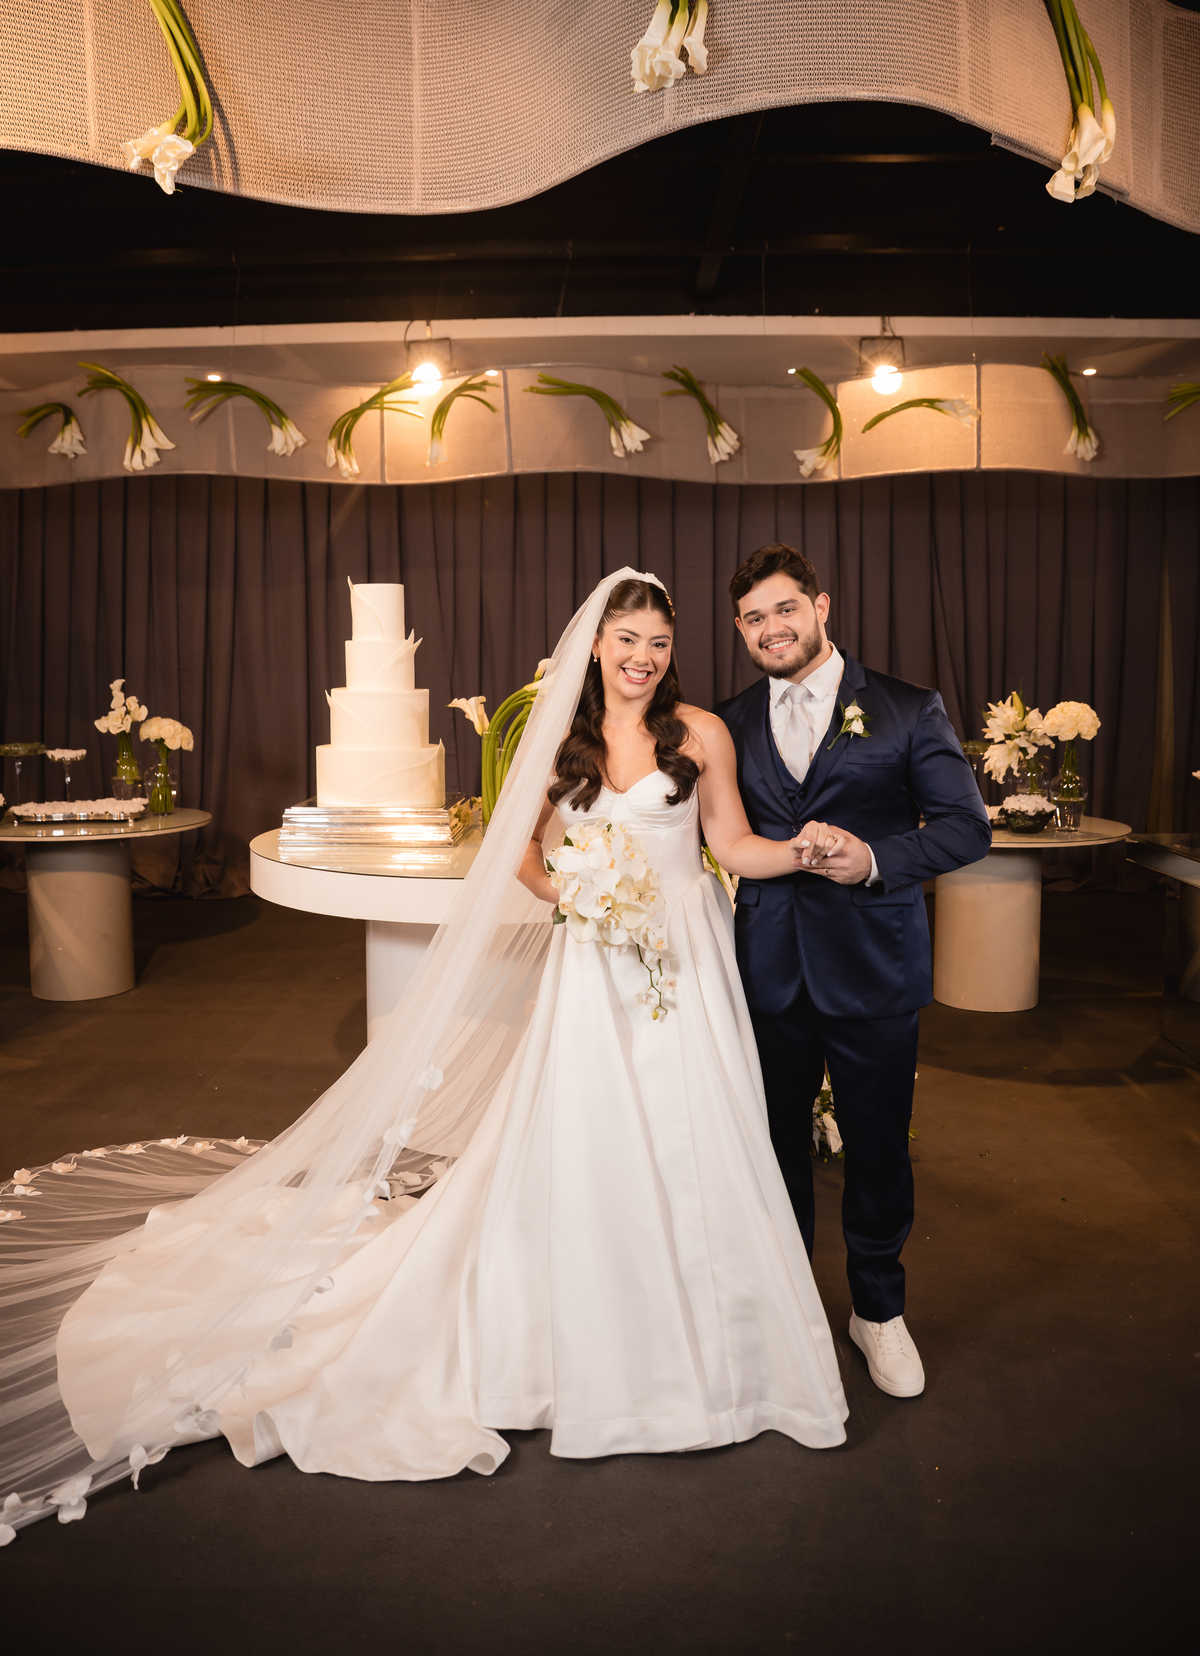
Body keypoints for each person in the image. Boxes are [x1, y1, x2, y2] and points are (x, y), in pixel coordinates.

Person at [0, 570, 846, 1541]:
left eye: (658, 641)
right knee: (592, 1142)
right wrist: (575, 892)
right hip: (593, 967)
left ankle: (715, 1343)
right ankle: (588, 1333)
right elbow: (519, 850)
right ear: (596, 645)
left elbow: (731, 846)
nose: (642, 658)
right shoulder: (560, 739)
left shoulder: (699, 734)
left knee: (696, 1140)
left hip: (684, 964)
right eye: (626, 640)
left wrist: (806, 850)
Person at [715, 545, 991, 1400]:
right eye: (754, 618)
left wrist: (873, 858)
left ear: (822, 606)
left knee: (876, 1147)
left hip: (874, 966)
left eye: (785, 609)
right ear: (739, 629)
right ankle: (789, 1305)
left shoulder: (907, 707)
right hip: (766, 969)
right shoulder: (727, 722)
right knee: (772, 1147)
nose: (771, 628)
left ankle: (877, 1310)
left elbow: (966, 827)